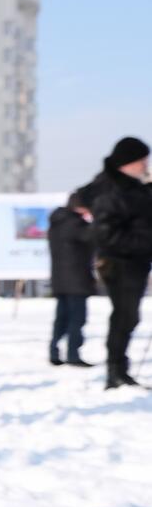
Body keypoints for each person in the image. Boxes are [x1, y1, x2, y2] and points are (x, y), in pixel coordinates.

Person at [81, 136, 152, 388]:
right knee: (124, 316)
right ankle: (114, 371)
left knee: (129, 317)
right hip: (120, 262)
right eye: (142, 160)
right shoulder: (111, 189)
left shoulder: (134, 186)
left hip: (136, 261)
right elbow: (107, 233)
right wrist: (144, 242)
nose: (146, 165)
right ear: (128, 162)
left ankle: (120, 368)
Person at [46, 192, 96, 367]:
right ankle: (73, 354)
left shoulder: (57, 222)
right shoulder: (75, 224)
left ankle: (54, 351)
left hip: (61, 279)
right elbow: (94, 237)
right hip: (76, 280)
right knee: (77, 319)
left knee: (62, 318)